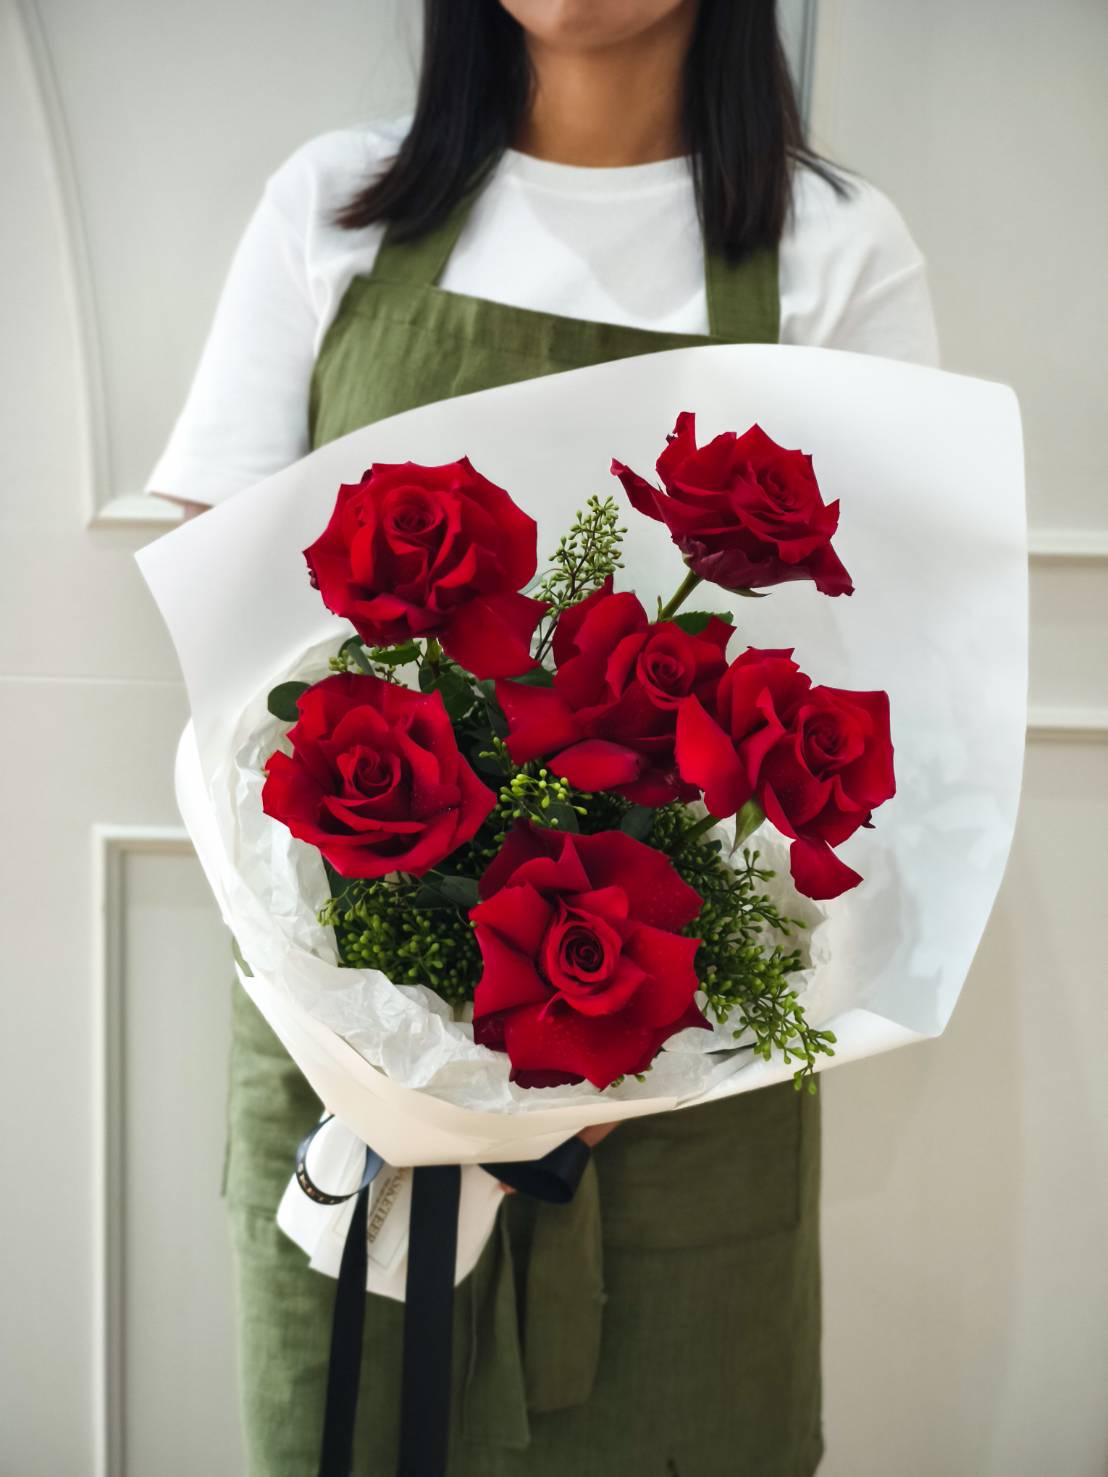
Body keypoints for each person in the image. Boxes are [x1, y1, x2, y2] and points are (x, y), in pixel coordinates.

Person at [146, 2, 939, 1472]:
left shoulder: (835, 251)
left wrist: (633, 1054)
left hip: (689, 1088)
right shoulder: (329, 211)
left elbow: (881, 704)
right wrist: (396, 1033)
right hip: (354, 1066)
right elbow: (228, 681)